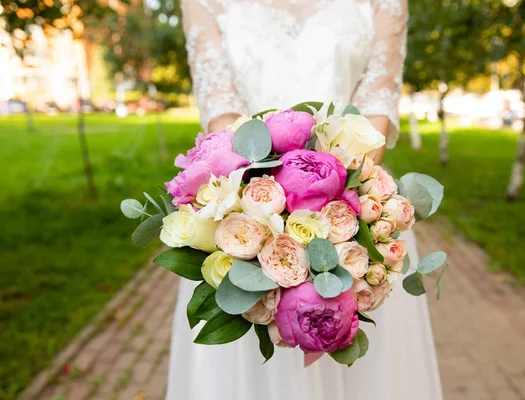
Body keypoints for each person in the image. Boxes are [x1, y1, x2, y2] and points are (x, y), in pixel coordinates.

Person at [167, 1, 443, 399]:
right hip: (243, 221)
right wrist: (262, 220)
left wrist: (330, 223)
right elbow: (221, 116)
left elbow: (374, 115)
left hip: (353, 214)